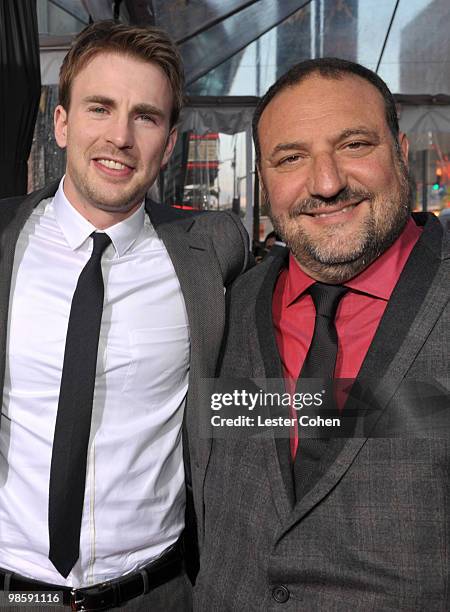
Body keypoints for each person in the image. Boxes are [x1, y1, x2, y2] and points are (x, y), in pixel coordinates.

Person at [0, 21, 249, 612]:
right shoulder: (3, 240)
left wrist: (388, 411)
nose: (120, 137)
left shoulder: (211, 252)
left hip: (155, 594)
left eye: (146, 116)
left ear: (168, 142)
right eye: (100, 108)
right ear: (60, 123)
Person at [193, 58, 449, 610]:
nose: (327, 183)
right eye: (291, 158)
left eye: (355, 145)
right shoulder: (232, 304)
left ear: (401, 153)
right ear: (264, 178)